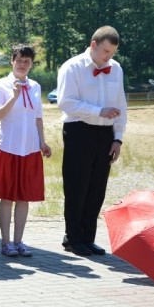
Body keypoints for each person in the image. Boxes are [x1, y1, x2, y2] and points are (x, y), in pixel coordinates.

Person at [57, 26, 127, 256]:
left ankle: (88, 237)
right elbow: (66, 103)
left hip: (105, 133)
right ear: (93, 44)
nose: (108, 57)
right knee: (77, 185)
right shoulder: (72, 67)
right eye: (106, 51)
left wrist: (118, 138)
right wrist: (98, 111)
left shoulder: (115, 69)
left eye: (112, 53)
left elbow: (121, 106)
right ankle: (72, 237)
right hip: (79, 130)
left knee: (97, 188)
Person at [0, 44, 52, 257]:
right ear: (12, 61)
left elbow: (38, 117)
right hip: (7, 146)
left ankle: (19, 241)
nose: (23, 64)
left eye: (27, 61)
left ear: (31, 64)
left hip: (30, 148)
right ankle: (5, 242)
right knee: (7, 197)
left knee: (24, 197)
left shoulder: (35, 86)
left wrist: (42, 142)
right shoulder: (1, 84)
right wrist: (14, 96)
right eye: (19, 60)